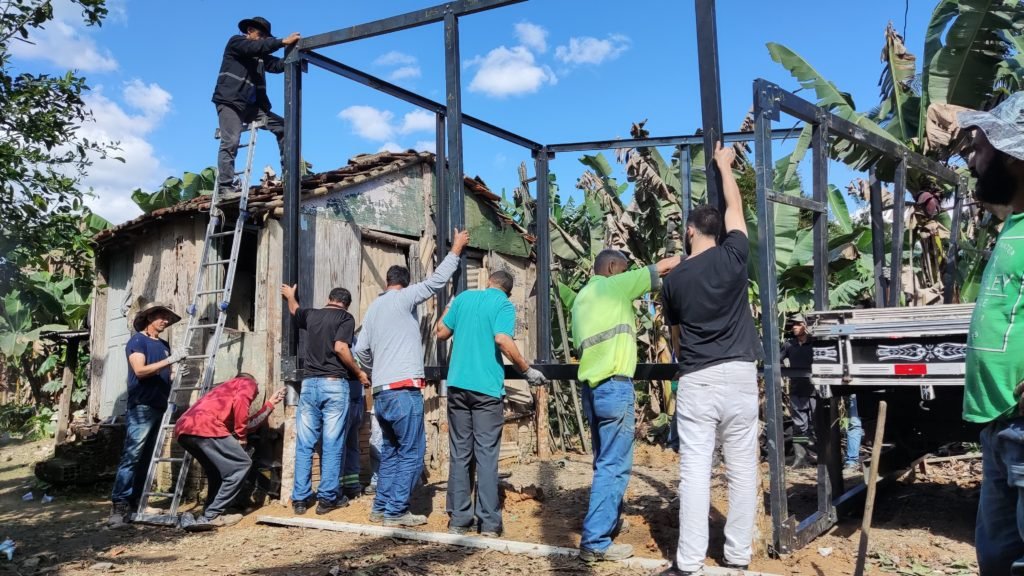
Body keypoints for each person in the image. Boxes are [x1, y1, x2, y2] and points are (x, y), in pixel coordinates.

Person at [660, 142, 763, 575]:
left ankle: (688, 563)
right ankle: (737, 558)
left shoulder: (674, 279)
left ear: (688, 231)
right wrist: (724, 167)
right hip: (740, 373)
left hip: (698, 379)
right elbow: (735, 205)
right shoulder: (735, 255)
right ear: (719, 231)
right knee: (742, 471)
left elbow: (677, 336)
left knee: (696, 473)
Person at [354, 228, 470, 527]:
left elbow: (361, 350)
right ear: (403, 285)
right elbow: (436, 282)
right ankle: (395, 512)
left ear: (386, 283)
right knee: (412, 453)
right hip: (404, 391)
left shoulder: (373, 309)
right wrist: (456, 249)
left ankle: (381, 507)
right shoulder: (404, 298)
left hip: (381, 392)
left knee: (392, 451)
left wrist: (375, 368)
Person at [571, 249, 680, 562]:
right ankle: (595, 542)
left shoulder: (582, 297)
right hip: (614, 388)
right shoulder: (614, 285)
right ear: (611, 267)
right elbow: (664, 267)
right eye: (625, 269)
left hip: (591, 391)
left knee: (603, 462)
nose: (628, 274)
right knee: (614, 467)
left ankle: (608, 520)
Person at [957, 93, 1024, 576]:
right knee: (998, 560)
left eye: (980, 146)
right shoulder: (1013, 226)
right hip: (1001, 421)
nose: (973, 160)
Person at [435, 270, 547, 537]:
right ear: (507, 291)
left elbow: (440, 332)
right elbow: (502, 339)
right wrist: (527, 370)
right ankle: (489, 523)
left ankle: (460, 521)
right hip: (485, 391)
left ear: (488, 283)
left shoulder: (462, 299)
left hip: (458, 387)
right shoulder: (503, 305)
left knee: (460, 453)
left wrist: (449, 307)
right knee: (486, 455)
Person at [280, 285, 369, 515]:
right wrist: (358, 372)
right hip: (334, 385)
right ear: (346, 304)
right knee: (332, 443)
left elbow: (295, 310)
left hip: (309, 385)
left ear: (329, 299)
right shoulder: (345, 318)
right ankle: (327, 498)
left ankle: (300, 499)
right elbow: (341, 347)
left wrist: (291, 296)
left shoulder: (312, 314)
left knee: (305, 443)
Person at [174, 373, 285, 531]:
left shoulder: (222, 392)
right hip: (205, 427)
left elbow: (246, 423)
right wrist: (241, 437)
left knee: (215, 472)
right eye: (257, 388)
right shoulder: (247, 382)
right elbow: (241, 404)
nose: (257, 392)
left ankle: (209, 510)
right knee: (242, 465)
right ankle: (212, 515)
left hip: (184, 430)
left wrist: (270, 404)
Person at [108, 302, 185, 527]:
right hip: (142, 406)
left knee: (147, 458)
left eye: (167, 318)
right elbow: (140, 371)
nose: (166, 321)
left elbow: (165, 374)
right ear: (149, 317)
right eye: (162, 316)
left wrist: (176, 371)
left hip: (159, 405)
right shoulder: (137, 341)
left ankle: (137, 502)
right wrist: (169, 361)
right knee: (132, 455)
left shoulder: (163, 344)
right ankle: (119, 504)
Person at [212, 17, 300, 196]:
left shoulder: (260, 54)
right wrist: (283, 41)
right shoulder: (236, 43)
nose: (262, 40)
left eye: (265, 37)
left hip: (252, 107)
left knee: (284, 126)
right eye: (260, 35)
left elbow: (275, 65)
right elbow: (255, 47)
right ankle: (225, 187)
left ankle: (289, 175)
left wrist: (295, 56)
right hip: (231, 102)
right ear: (250, 30)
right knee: (231, 141)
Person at [781, 313, 816, 465]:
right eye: (793, 324)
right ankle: (801, 457)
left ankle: (817, 457)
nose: (794, 327)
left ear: (805, 326)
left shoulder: (815, 344)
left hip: (816, 391)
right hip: (797, 391)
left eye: (797, 324)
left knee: (817, 424)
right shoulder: (789, 345)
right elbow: (777, 361)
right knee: (799, 427)